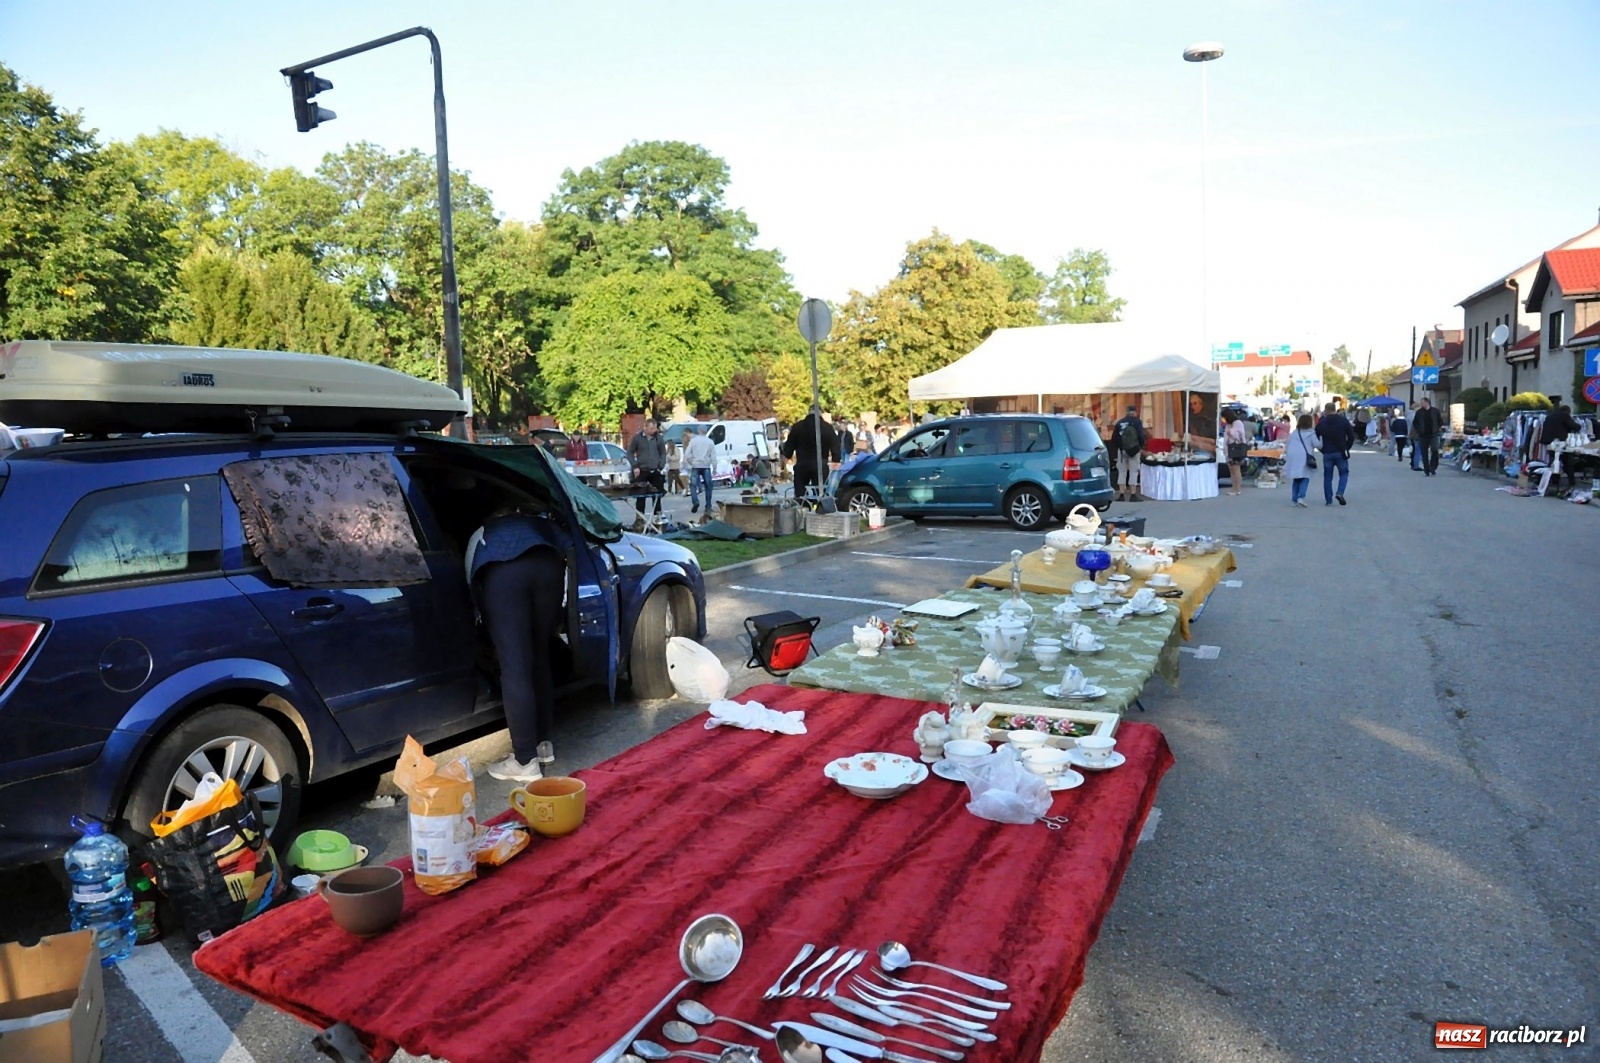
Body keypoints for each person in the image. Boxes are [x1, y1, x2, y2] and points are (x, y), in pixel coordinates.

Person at [467, 508, 569, 782]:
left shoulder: (483, 535)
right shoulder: (539, 523)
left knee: (515, 667)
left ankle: (525, 760)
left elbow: (472, 587)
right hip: (549, 566)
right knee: (539, 655)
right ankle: (543, 744)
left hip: (503, 572)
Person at [781, 406, 841, 501]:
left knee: (800, 493)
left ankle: (803, 507)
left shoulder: (798, 427)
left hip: (802, 464)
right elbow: (835, 445)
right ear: (820, 413)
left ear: (808, 412)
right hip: (820, 464)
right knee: (820, 492)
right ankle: (819, 507)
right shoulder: (827, 427)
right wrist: (836, 459)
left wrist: (787, 455)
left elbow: (789, 446)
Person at [626, 419, 667, 524]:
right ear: (645, 427)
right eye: (651, 428)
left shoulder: (659, 438)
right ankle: (640, 518)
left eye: (655, 428)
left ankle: (658, 517)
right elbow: (629, 453)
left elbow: (663, 453)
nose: (653, 430)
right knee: (640, 496)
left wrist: (660, 466)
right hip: (642, 470)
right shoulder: (637, 438)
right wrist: (635, 466)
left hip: (655, 470)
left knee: (657, 494)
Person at [1314, 401, 1354, 505]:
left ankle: (1328, 500)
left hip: (1327, 452)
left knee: (1327, 476)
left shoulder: (1322, 422)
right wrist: (1347, 447)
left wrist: (1321, 449)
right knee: (1344, 473)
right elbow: (1351, 436)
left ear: (1326, 410)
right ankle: (1340, 492)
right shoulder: (1343, 420)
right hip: (1340, 452)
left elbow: (1315, 437)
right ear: (1335, 409)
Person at [1540, 403, 1582, 489]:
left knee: (1553, 462)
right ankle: (1571, 482)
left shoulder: (1549, 417)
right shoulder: (1564, 416)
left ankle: (1554, 480)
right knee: (1568, 463)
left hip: (1549, 443)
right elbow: (1574, 426)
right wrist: (1578, 426)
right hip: (1561, 444)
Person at [1111, 404, 1146, 502]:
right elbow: (1140, 436)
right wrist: (1140, 446)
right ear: (1135, 412)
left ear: (1126, 412)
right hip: (1134, 450)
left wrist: (1121, 447)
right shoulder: (1137, 422)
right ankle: (1133, 494)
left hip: (1122, 451)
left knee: (1122, 472)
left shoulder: (1120, 422)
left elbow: (1114, 438)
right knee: (1133, 471)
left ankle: (1121, 494)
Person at [684, 425, 716, 515]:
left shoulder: (693, 441)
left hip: (695, 465)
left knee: (693, 485)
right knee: (708, 486)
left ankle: (695, 501)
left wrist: (691, 462)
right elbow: (713, 456)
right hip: (706, 466)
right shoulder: (710, 442)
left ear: (698, 431)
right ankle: (708, 506)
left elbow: (687, 454)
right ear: (706, 431)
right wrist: (715, 467)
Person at [1413, 397, 1443, 476]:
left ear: (1427, 402)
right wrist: (1419, 430)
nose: (1421, 404)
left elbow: (1440, 421)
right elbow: (1415, 423)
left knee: (1434, 450)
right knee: (1424, 452)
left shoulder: (1435, 411)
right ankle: (1426, 469)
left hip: (1433, 434)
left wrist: (1437, 428)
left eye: (1422, 402)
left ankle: (1433, 467)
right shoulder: (1419, 412)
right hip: (1423, 435)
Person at [1223, 411, 1250, 496]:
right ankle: (1234, 487)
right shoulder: (1229, 424)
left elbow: (1235, 434)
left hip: (1235, 449)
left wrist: (1229, 432)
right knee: (1231, 469)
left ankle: (1237, 488)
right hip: (1229, 449)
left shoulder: (1237, 423)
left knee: (1236, 469)